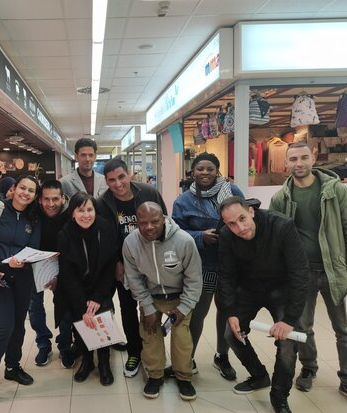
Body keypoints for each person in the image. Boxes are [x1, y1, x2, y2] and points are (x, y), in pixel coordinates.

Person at [269, 142, 347, 411]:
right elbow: (276, 239)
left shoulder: (335, 190)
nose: (299, 163)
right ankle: (309, 368)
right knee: (302, 327)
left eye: (303, 157)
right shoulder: (280, 198)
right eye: (293, 159)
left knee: (345, 329)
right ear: (286, 163)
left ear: (313, 158)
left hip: (335, 270)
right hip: (300, 274)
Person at [217, 196, 309, 413]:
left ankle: (279, 396)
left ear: (251, 211)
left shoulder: (282, 226)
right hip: (249, 288)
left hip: (282, 288)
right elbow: (226, 275)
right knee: (231, 334)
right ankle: (259, 376)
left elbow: (300, 273)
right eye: (232, 224)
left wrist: (289, 320)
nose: (239, 228)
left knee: (287, 343)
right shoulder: (226, 236)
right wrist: (230, 311)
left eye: (242, 218)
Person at [172, 152, 243, 381]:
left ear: (217, 171)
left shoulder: (232, 192)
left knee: (226, 312)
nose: (205, 172)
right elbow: (175, 233)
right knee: (197, 314)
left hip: (230, 264)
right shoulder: (183, 201)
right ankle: (187, 357)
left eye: (210, 169)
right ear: (193, 171)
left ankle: (222, 356)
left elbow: (247, 219)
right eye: (200, 168)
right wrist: (200, 236)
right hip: (201, 265)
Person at [0, 175, 41, 412]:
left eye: (31, 190)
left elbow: (33, 246)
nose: (25, 193)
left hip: (21, 277)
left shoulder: (34, 217)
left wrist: (23, 259)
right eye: (22, 188)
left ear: (35, 195)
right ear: (14, 189)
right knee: (3, 325)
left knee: (18, 325)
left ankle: (12, 367)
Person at [123, 202, 202, 400]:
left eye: (154, 221)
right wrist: (147, 307)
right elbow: (134, 279)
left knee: (182, 338)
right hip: (151, 297)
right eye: (143, 223)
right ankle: (155, 375)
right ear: (137, 222)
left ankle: (183, 376)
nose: (149, 227)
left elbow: (194, 278)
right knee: (149, 335)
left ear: (164, 218)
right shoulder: (130, 243)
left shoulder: (184, 241)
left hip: (179, 297)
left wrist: (185, 306)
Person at [98, 157, 167, 378]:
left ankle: (153, 351)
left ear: (129, 174)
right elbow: (106, 238)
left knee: (152, 307)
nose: (118, 184)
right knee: (128, 308)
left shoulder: (148, 192)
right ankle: (134, 352)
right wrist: (117, 263)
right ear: (106, 181)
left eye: (121, 177)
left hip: (152, 260)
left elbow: (165, 222)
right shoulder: (103, 203)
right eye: (112, 180)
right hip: (124, 265)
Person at [55, 192, 118, 386]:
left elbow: (110, 266)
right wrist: (83, 306)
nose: (86, 215)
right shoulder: (64, 234)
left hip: (101, 285)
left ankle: (104, 363)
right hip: (76, 289)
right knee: (81, 321)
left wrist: (98, 297)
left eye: (90, 210)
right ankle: (88, 361)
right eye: (80, 210)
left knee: (102, 318)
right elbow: (67, 275)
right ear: (72, 213)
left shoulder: (105, 229)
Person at [28, 180, 75, 369]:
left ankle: (65, 345)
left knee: (64, 307)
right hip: (35, 266)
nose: (51, 204)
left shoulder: (71, 216)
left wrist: (60, 276)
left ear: (63, 198)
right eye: (46, 199)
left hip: (62, 266)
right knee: (35, 307)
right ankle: (43, 344)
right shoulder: (32, 212)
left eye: (55, 199)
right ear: (40, 199)